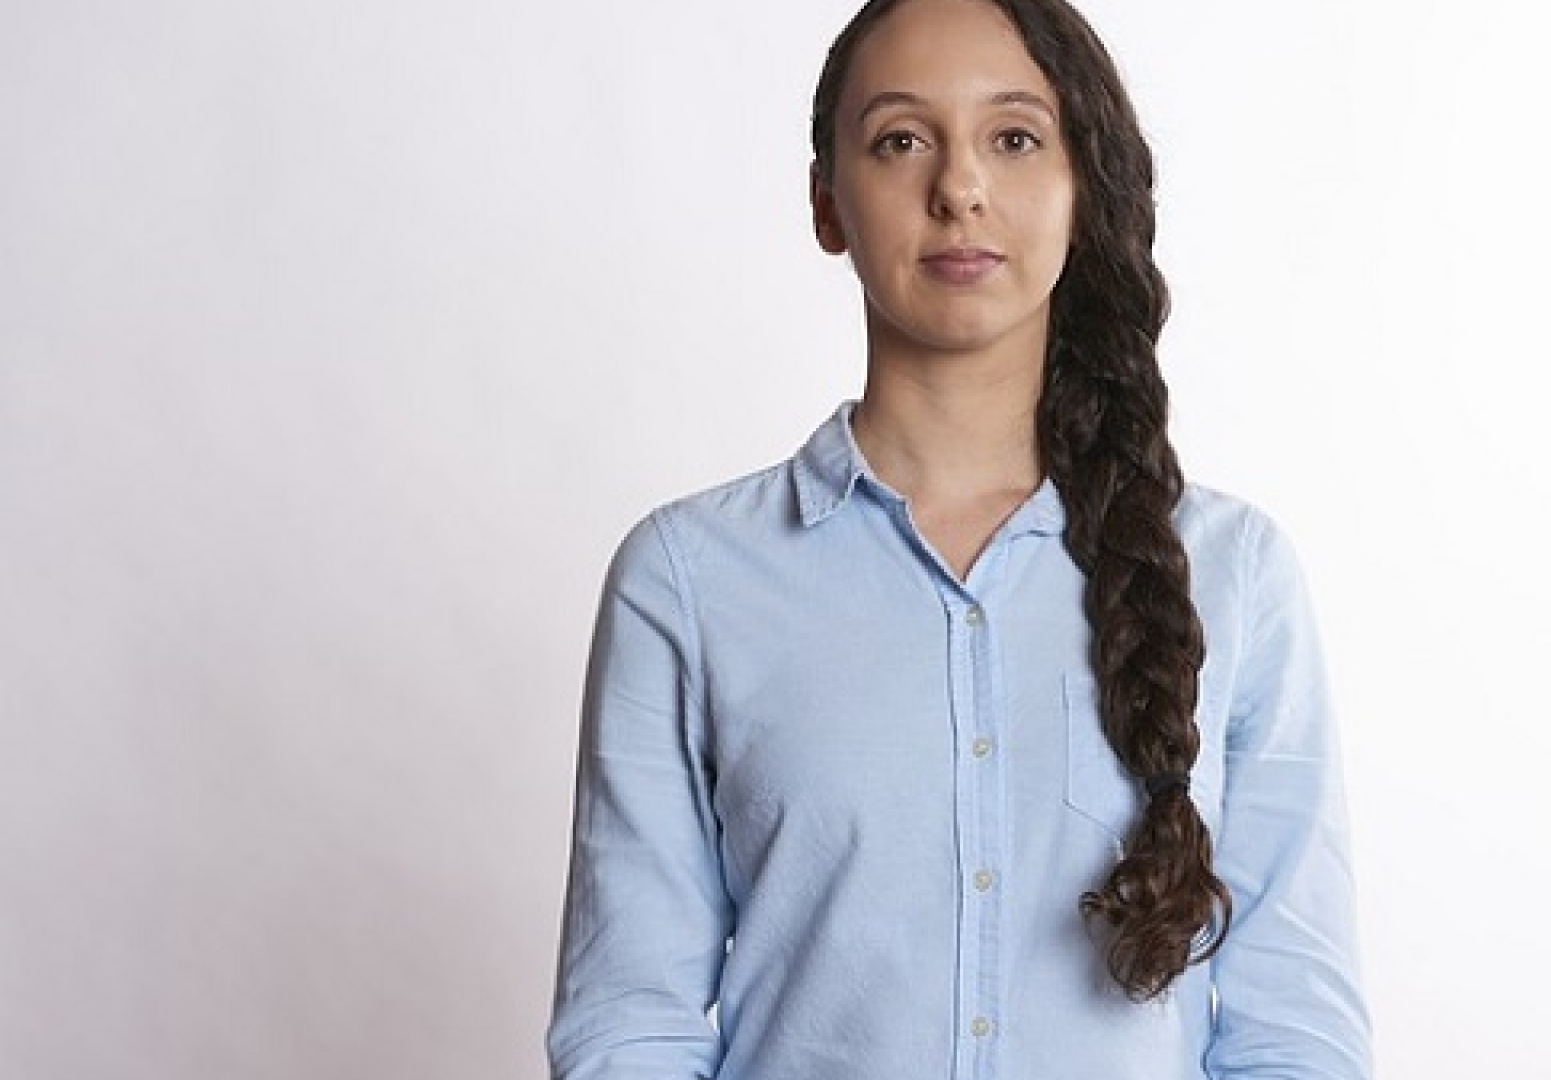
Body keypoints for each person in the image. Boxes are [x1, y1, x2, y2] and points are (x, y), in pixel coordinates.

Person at [545, 0, 1372, 1076]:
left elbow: (1296, 1033)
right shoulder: (688, 580)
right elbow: (629, 1021)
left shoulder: (1236, 572)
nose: (959, 188)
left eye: (1014, 138)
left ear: (1082, 186)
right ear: (826, 201)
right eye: (900, 140)